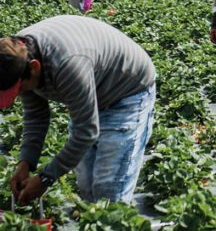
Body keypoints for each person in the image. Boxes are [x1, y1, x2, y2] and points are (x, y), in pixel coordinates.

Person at [0, 15, 156, 204]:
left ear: (34, 67)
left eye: (20, 89)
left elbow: (86, 132)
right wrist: (26, 162)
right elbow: (36, 116)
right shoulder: (14, 59)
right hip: (89, 90)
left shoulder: (68, 64)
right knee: (85, 183)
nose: (20, 93)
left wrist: (45, 179)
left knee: (109, 187)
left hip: (127, 91)